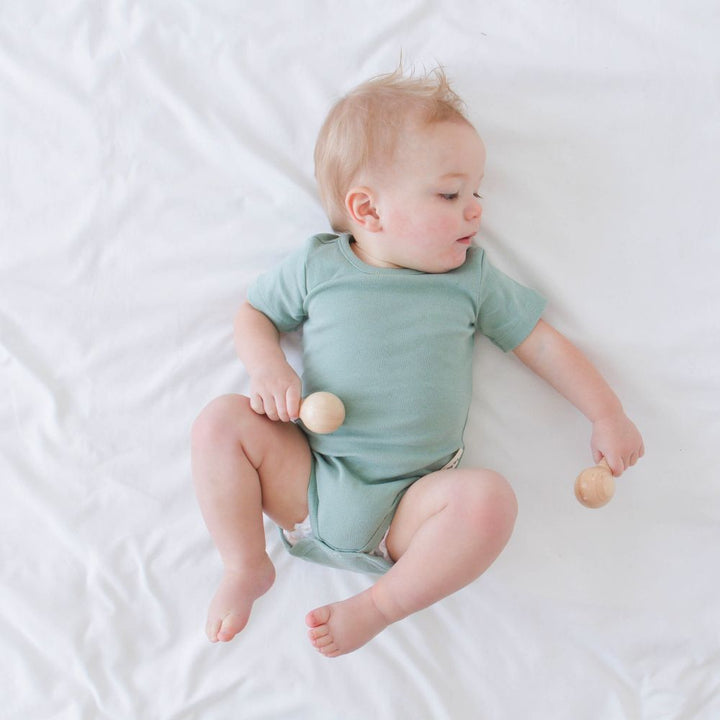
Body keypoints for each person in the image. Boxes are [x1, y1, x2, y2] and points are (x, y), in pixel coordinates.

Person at [191, 66, 645, 658]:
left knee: (489, 501)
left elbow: (543, 345)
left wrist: (606, 414)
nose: (475, 210)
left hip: (409, 510)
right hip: (310, 481)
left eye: (476, 193)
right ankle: (244, 564)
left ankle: (379, 606)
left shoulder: (470, 280)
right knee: (220, 422)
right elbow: (253, 314)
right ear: (368, 210)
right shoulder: (318, 267)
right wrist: (267, 369)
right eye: (451, 194)